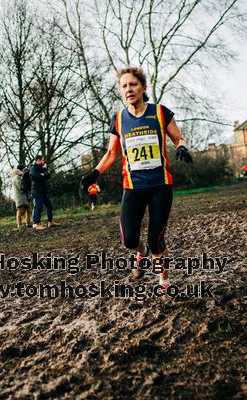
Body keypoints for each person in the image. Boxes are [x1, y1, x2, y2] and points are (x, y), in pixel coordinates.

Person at [80, 66, 192, 289]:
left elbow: (179, 138)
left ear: (143, 88)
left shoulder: (160, 112)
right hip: (133, 187)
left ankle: (164, 282)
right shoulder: (119, 119)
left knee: (156, 240)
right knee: (129, 239)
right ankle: (140, 254)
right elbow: (112, 152)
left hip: (160, 186)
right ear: (121, 91)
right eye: (124, 86)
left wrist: (182, 147)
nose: (129, 89)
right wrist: (95, 173)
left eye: (133, 84)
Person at [30, 155, 56, 230]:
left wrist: (44, 172)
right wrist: (44, 173)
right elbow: (40, 177)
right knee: (38, 207)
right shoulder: (33, 169)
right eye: (42, 160)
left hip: (43, 191)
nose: (43, 162)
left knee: (49, 205)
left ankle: (50, 222)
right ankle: (37, 224)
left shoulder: (42, 168)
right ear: (38, 160)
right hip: (37, 191)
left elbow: (47, 175)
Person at [11, 164, 32, 229]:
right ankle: (19, 224)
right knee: (20, 211)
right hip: (20, 197)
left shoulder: (16, 177)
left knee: (28, 209)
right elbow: (21, 186)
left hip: (22, 196)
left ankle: (27, 223)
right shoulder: (17, 177)